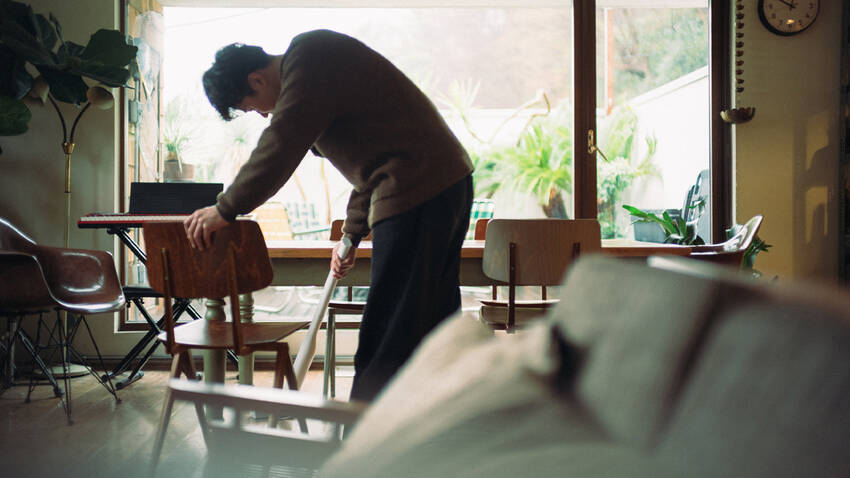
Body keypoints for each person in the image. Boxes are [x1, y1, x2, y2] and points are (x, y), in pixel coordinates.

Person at [184, 29, 473, 402]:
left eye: (253, 107)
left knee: (391, 323)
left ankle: (364, 438)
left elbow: (281, 142)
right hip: (439, 182)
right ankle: (439, 422)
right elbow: (369, 171)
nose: (262, 114)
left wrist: (225, 209)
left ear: (257, 80)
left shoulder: (310, 56)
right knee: (428, 317)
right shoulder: (318, 78)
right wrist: (351, 236)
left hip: (420, 185)